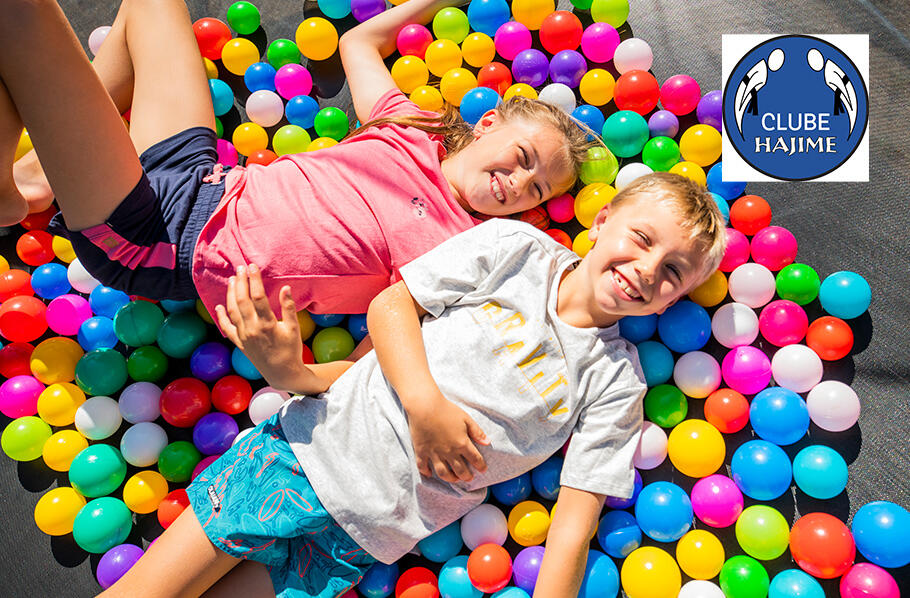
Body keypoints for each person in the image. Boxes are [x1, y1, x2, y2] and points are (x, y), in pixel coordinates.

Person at [100, 172, 727, 598]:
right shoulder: (517, 250)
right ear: (604, 218)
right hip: (302, 458)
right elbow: (391, 306)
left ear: (672, 300)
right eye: (641, 239)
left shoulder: (617, 382)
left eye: (673, 272)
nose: (647, 270)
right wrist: (425, 407)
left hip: (362, 537)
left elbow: (573, 523)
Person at [0, 0, 590, 322]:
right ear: (487, 125)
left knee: (20, 13)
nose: (520, 183)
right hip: (200, 177)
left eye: (537, 189)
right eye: (523, 157)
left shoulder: (465, 247)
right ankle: (35, 178)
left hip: (162, 240)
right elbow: (359, 42)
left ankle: (18, 183)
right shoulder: (410, 126)